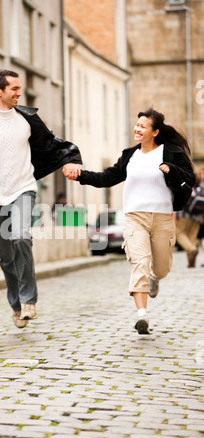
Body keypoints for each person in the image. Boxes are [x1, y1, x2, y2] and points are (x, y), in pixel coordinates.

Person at [0, 69, 82, 328]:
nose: (20, 93)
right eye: (14, 89)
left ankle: (29, 300)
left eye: (20, 88)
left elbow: (52, 143)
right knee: (5, 255)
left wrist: (70, 160)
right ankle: (16, 304)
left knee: (21, 236)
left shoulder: (27, 118)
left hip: (23, 188)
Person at [66, 107, 195, 335]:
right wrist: (81, 174)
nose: (137, 129)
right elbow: (107, 177)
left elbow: (189, 179)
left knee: (162, 268)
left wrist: (171, 169)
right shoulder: (130, 156)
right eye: (137, 125)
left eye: (143, 126)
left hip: (163, 217)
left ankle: (155, 279)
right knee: (140, 263)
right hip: (135, 217)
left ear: (155, 132)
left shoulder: (171, 152)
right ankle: (142, 315)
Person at [176, 174, 204, 268]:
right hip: (197, 218)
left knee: (179, 234)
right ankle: (191, 262)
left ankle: (192, 250)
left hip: (184, 215)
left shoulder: (186, 187)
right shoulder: (201, 189)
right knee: (192, 237)